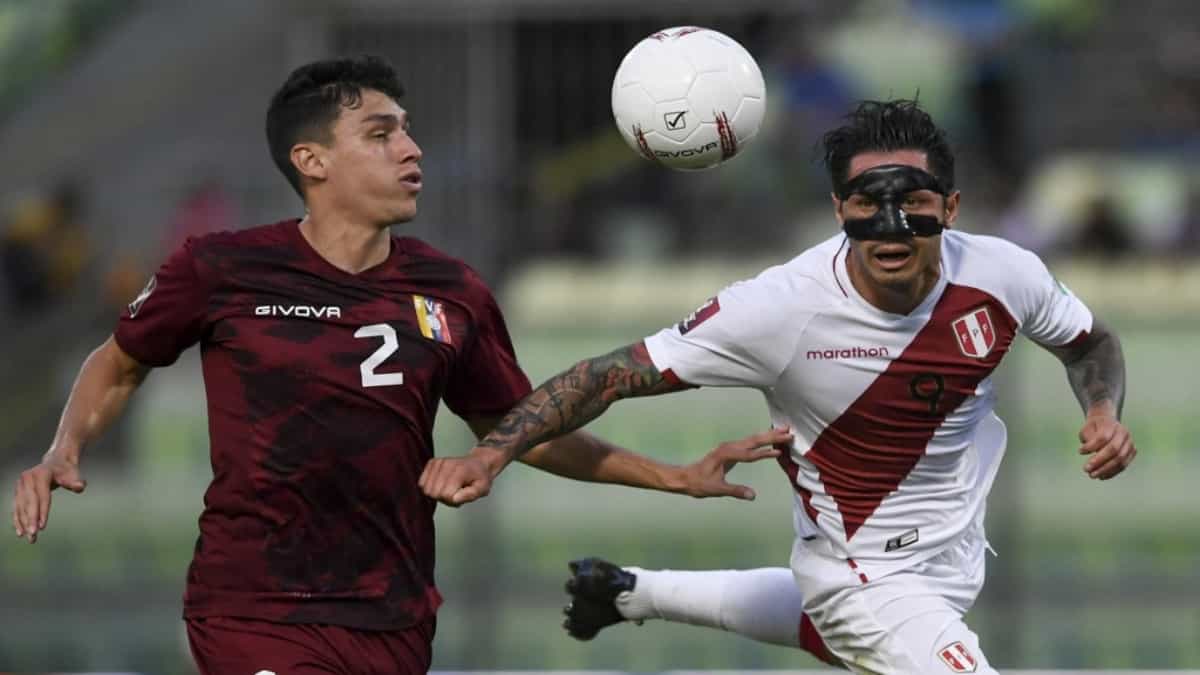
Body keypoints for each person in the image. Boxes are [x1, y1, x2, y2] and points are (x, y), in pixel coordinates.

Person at [9, 55, 786, 675]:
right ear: (310, 159)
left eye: (409, 131)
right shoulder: (222, 267)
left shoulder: (454, 292)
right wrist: (63, 447)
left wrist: (672, 476)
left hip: (393, 613)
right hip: (254, 605)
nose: (412, 148)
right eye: (382, 134)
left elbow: (522, 431)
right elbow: (119, 363)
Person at [420, 99, 1137, 674]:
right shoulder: (777, 308)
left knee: (846, 634)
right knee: (867, 623)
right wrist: (491, 454)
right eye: (866, 201)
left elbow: (1091, 342)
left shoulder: (1003, 273)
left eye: (912, 200)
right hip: (856, 571)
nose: (889, 224)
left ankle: (633, 589)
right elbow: (605, 375)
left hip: (953, 549)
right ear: (838, 210)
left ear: (951, 208)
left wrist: (1103, 408)